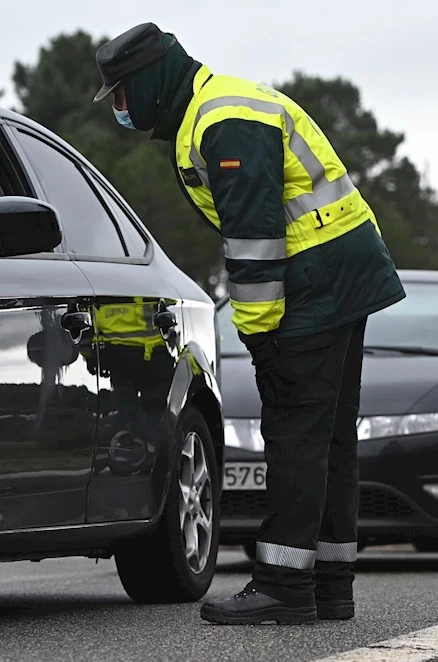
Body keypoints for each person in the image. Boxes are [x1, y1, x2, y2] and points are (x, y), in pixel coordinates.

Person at [91, 22, 405, 625]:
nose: (122, 111)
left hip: (315, 277)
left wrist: (258, 333)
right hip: (341, 268)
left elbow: (255, 238)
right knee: (329, 437)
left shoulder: (221, 119)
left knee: (294, 430)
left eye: (123, 95)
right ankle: (329, 583)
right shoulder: (218, 107)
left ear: (153, 78)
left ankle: (285, 585)